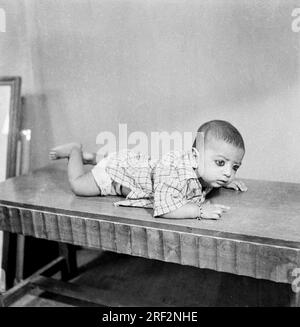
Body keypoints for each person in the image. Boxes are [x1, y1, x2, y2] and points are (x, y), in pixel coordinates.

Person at [49, 120, 247, 220]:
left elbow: (215, 175)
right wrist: (200, 210)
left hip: (133, 164)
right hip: (114, 176)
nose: (229, 172)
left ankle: (91, 158)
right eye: (221, 163)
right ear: (195, 157)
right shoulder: (174, 173)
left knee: (115, 160)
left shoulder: (204, 171)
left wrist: (227, 181)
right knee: (79, 186)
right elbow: (165, 209)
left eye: (234, 167)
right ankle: (75, 151)